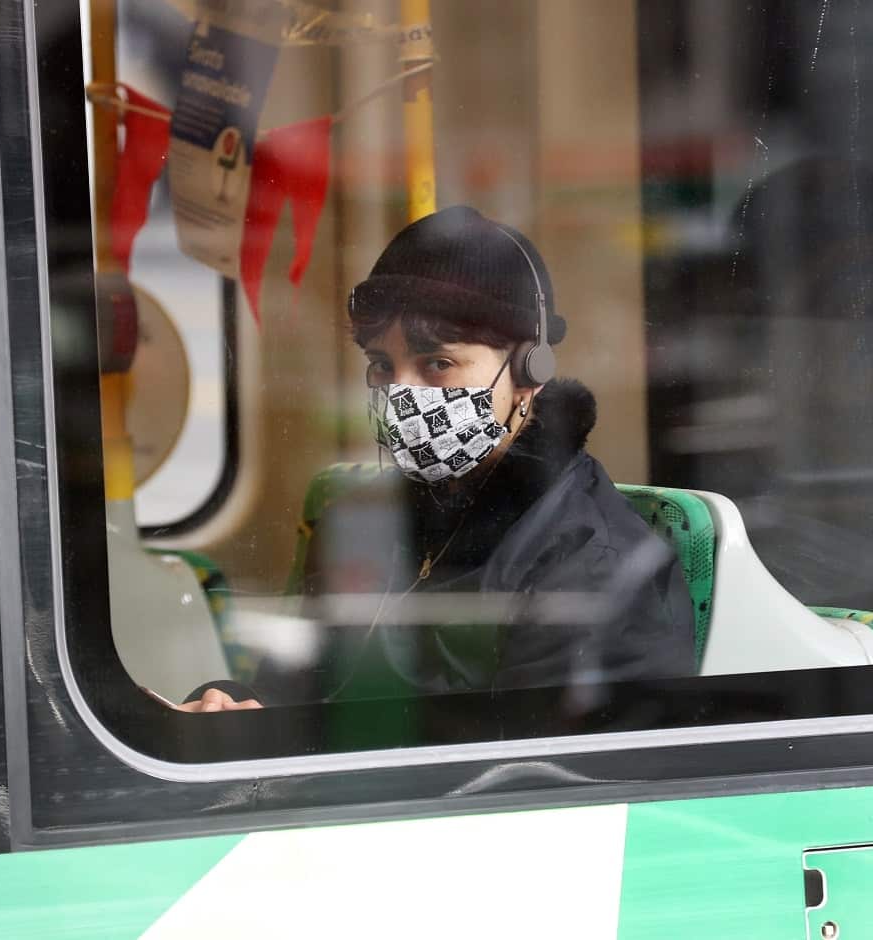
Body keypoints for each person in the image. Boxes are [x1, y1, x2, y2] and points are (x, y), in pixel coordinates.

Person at [178, 205, 693, 713]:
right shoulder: (361, 520)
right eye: (381, 363)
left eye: (438, 363)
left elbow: (539, 777)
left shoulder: (592, 568)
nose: (401, 392)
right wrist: (236, 710)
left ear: (528, 372)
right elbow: (299, 691)